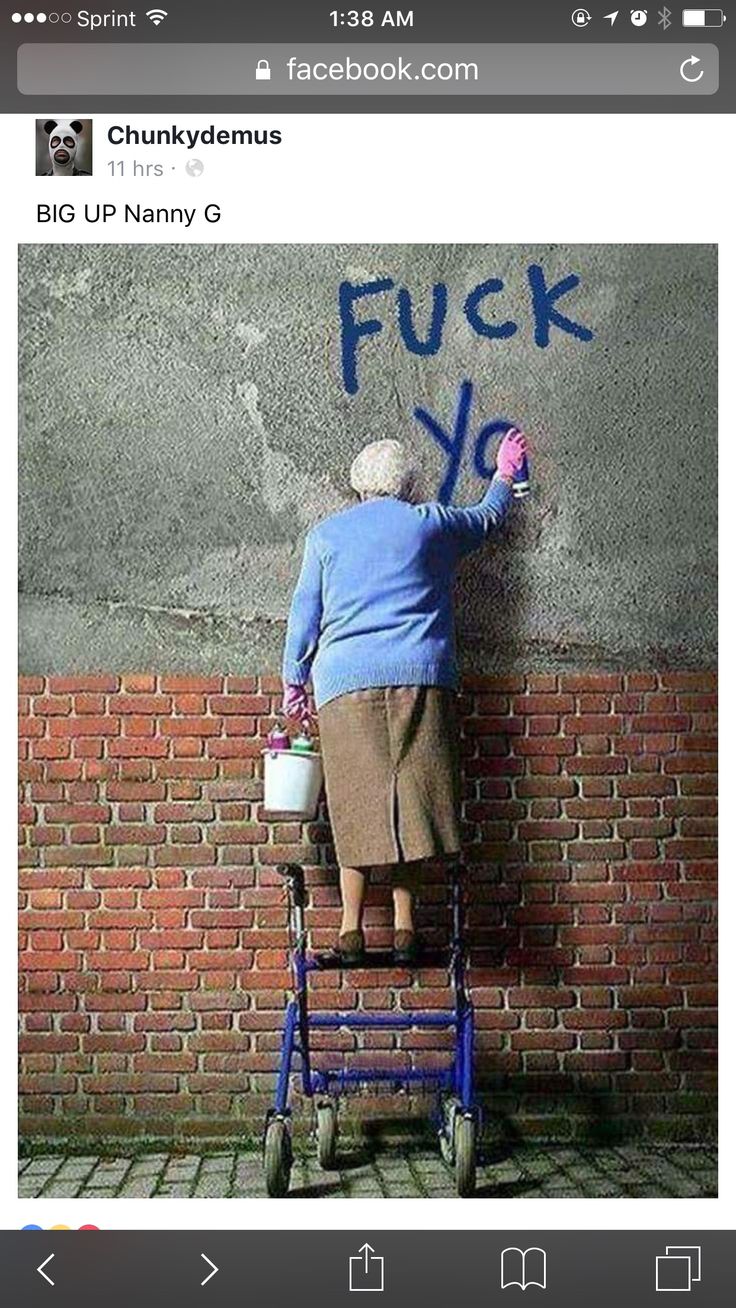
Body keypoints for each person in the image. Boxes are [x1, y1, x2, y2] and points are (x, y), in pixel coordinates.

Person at [281, 429, 528, 965]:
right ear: (410, 483)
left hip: (345, 685)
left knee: (355, 801)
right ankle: (405, 927)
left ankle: (349, 930)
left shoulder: (326, 537)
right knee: (412, 803)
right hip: (421, 675)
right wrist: (505, 473)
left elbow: (305, 616)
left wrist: (293, 682)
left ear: (359, 484)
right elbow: (486, 518)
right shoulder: (429, 523)